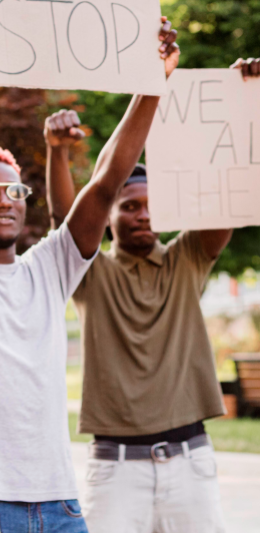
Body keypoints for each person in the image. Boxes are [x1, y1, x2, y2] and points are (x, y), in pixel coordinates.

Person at [0, 15, 180, 533]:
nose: (5, 201)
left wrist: (153, 83)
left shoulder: (50, 268)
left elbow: (106, 182)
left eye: (15, 190)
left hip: (60, 504)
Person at [46, 58, 260, 533]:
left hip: (191, 461)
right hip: (115, 468)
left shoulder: (189, 257)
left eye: (151, 204)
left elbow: (221, 191)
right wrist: (57, 154)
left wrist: (238, 97)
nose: (143, 214)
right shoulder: (91, 274)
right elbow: (67, 218)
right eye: (129, 206)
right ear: (111, 214)